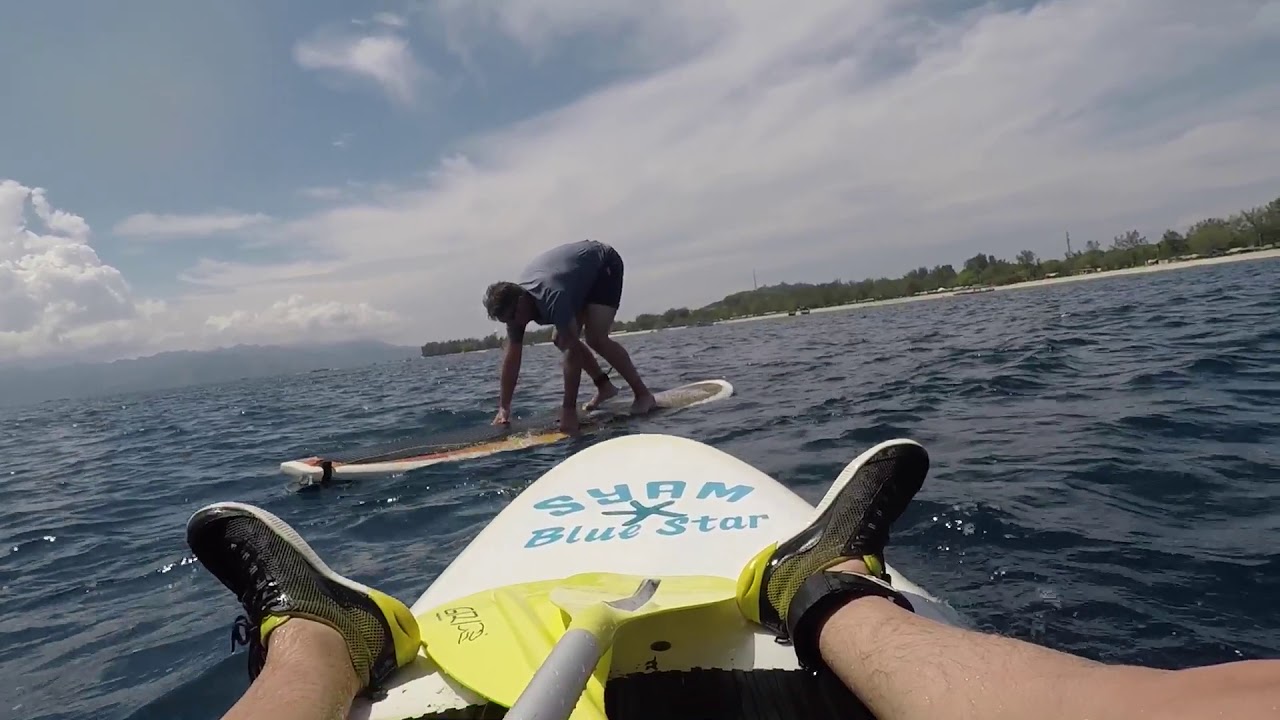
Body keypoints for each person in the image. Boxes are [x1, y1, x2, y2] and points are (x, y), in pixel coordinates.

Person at [188, 440, 1280, 720]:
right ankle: (825, 593)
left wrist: (591, 402)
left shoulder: (570, 285)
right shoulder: (534, 302)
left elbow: (577, 337)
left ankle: (323, 641)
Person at [481, 239, 657, 434]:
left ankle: (644, 395)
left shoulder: (552, 296)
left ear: (522, 301)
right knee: (559, 338)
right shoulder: (515, 314)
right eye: (506, 320)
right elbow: (512, 358)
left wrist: (569, 411)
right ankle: (605, 387)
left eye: (513, 316)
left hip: (603, 264)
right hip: (575, 277)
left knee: (595, 338)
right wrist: (504, 407)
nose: (512, 323)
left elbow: (572, 352)